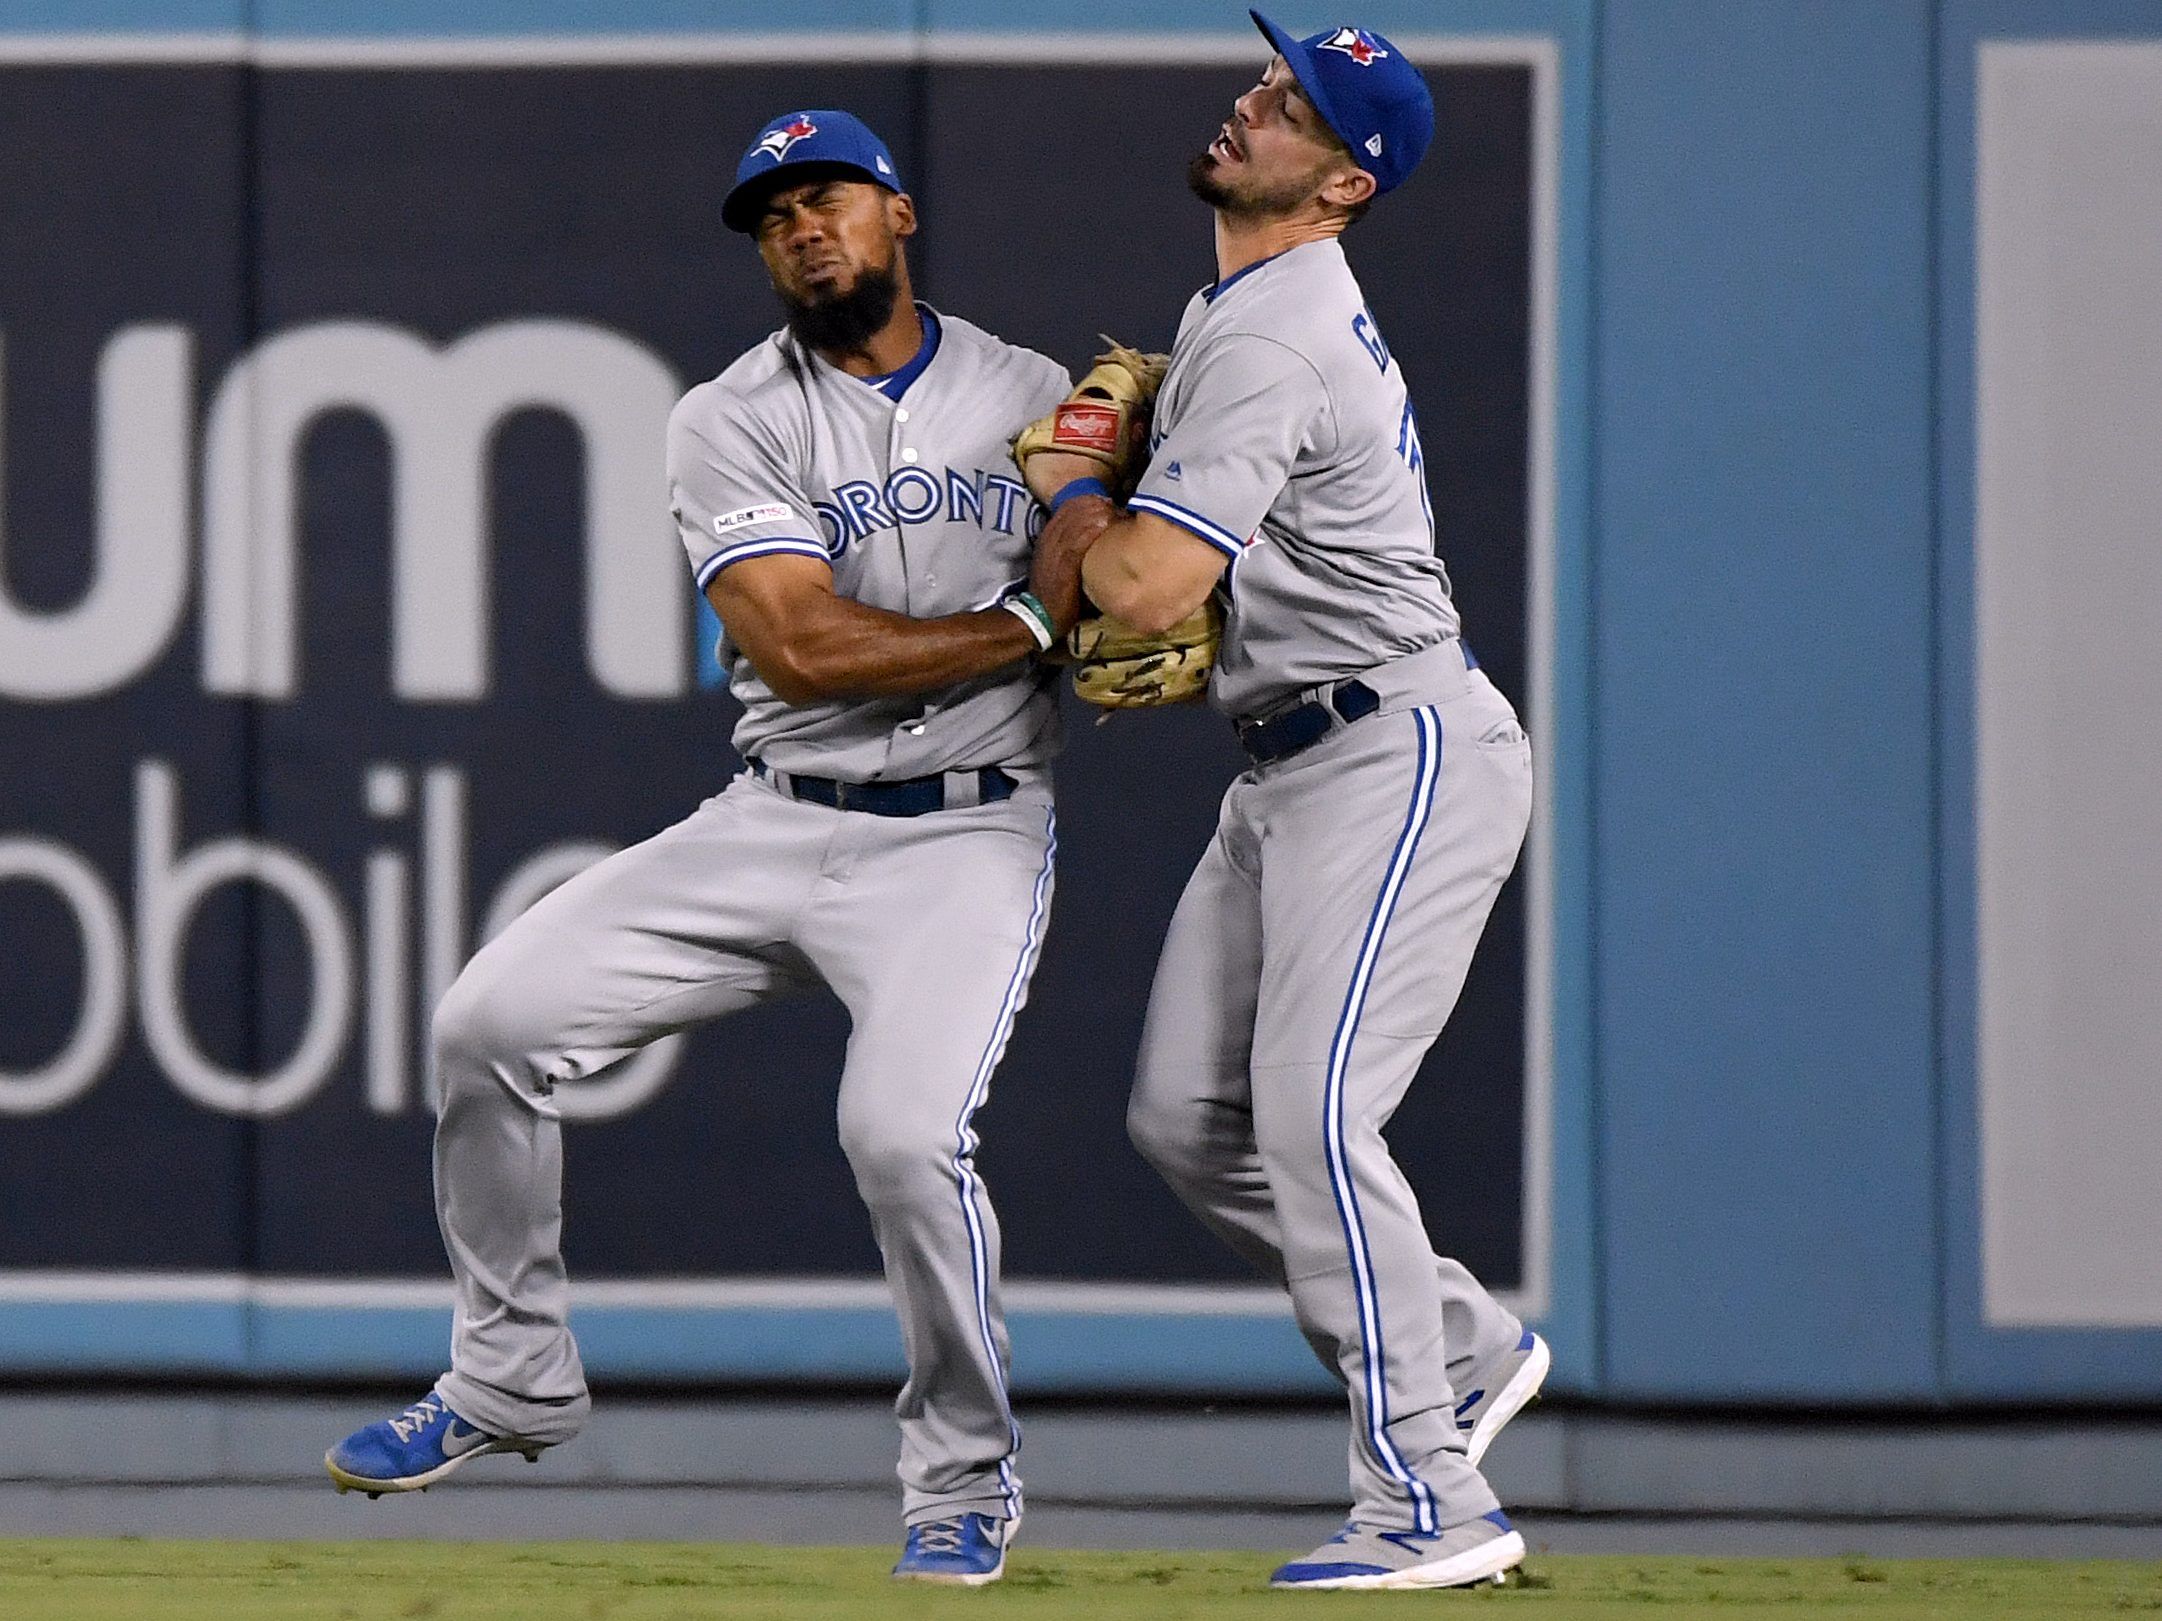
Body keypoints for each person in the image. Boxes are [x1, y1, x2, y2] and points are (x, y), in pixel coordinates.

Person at [326, 108, 1082, 1588]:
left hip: (965, 836)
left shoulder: (1033, 391)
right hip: (772, 816)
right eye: (771, 212)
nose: (801, 226)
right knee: (487, 1023)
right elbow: (802, 647)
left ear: (899, 213)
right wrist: (1031, 627)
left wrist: (1102, 566)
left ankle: (961, 1475)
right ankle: (510, 1372)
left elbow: (1110, 566)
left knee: (904, 1139)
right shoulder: (728, 412)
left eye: (828, 197)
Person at [1021, 14, 1549, 1591]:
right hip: (1290, 766)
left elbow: (1140, 586)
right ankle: (1452, 1338)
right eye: (1266, 78)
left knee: (1318, 1111)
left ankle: (1429, 1496)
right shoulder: (1239, 303)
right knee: (1188, 1120)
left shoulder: (1267, 331)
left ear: (1342, 185)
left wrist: (1067, 485)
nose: (1254, 103)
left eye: (1298, 105)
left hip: (1398, 749)